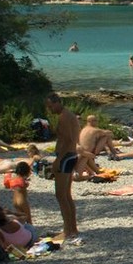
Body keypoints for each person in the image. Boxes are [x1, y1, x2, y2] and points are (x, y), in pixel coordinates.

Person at [45, 92, 82, 243]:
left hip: (65, 157)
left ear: (57, 102)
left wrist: (57, 160)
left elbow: (68, 140)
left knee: (60, 195)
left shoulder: (64, 117)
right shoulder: (70, 115)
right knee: (66, 195)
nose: (50, 109)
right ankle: (72, 228)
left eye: (50, 106)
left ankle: (68, 230)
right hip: (71, 155)